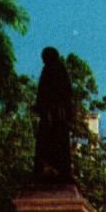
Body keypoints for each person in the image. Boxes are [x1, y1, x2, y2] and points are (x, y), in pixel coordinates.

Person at [33, 47, 74, 182]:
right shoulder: (55, 70)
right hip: (53, 112)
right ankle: (49, 168)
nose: (43, 60)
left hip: (54, 113)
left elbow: (63, 92)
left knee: (52, 139)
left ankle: (53, 168)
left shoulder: (54, 70)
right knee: (51, 140)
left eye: (44, 57)